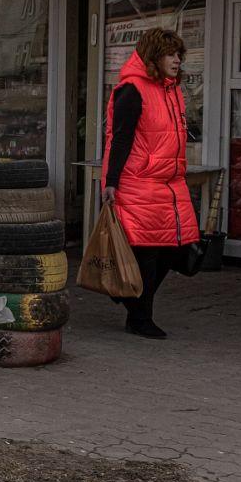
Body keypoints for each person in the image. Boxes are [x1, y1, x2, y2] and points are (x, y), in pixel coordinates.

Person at [102, 27, 199, 339]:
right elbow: (120, 139)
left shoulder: (171, 91)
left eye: (179, 55)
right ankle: (140, 317)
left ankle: (130, 299)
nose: (177, 60)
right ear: (154, 57)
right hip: (139, 182)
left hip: (170, 182)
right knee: (148, 253)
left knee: (173, 249)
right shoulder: (133, 91)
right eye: (171, 54)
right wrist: (111, 182)